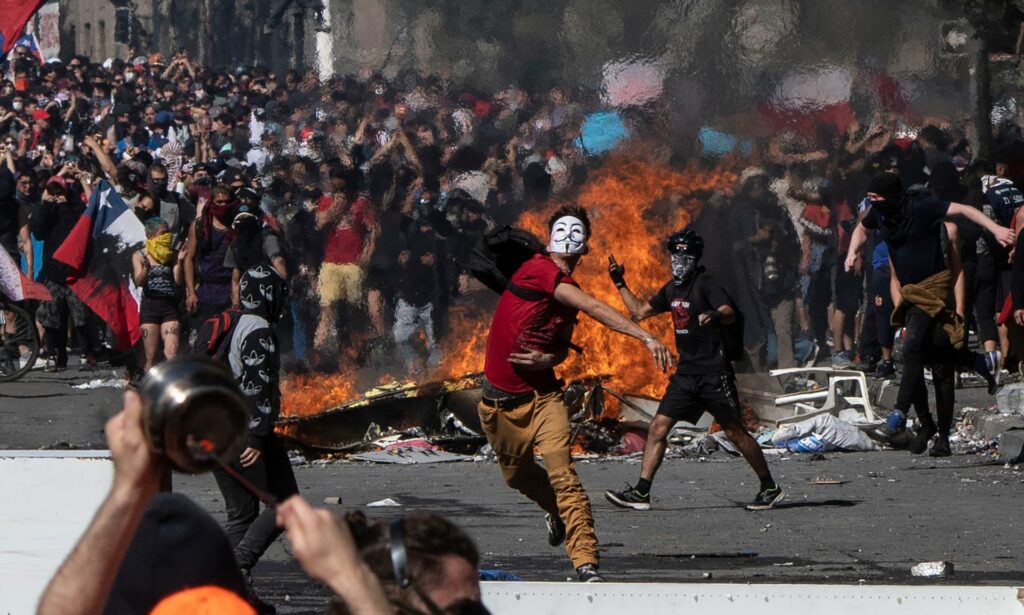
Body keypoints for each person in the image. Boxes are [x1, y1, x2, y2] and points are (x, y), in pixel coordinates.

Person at [478, 205, 671, 583]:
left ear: (585, 249)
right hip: (499, 404)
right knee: (516, 477)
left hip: (544, 398)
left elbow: (562, 350)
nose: (569, 239)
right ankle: (554, 511)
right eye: (564, 231)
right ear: (549, 239)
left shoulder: (566, 292)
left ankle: (586, 564)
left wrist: (544, 358)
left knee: (563, 474)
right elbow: (596, 308)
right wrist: (646, 337)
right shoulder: (538, 269)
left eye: (577, 233)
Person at [604, 228, 784, 512]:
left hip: (714, 373)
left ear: (695, 257)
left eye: (685, 254)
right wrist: (618, 281)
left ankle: (769, 486)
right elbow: (638, 312)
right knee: (658, 428)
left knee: (735, 432)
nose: (679, 260)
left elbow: (729, 312)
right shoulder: (671, 289)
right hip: (686, 375)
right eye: (674, 253)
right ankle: (641, 493)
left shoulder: (706, 284)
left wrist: (713, 315)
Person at [846, 172, 1015, 456]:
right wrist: (852, 252)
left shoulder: (921, 208)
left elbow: (964, 210)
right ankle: (981, 365)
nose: (874, 204)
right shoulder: (880, 214)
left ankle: (900, 415)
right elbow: (862, 228)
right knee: (937, 353)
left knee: (917, 354)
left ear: (893, 196)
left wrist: (996, 230)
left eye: (877, 198)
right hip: (910, 293)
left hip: (934, 289)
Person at [212, 264, 299, 603]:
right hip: (243, 432)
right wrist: (257, 437)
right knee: (287, 505)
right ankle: (238, 566)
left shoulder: (231, 322)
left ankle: (232, 595)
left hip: (212, 427)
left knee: (242, 514)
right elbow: (257, 387)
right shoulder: (259, 330)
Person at [132, 217, 182, 371]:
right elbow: (138, 282)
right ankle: (149, 390)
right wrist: (146, 268)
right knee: (152, 357)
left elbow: (178, 281)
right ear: (151, 236)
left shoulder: (172, 254)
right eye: (163, 233)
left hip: (169, 306)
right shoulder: (139, 255)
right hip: (150, 307)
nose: (168, 236)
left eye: (168, 232)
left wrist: (179, 262)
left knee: (172, 353)